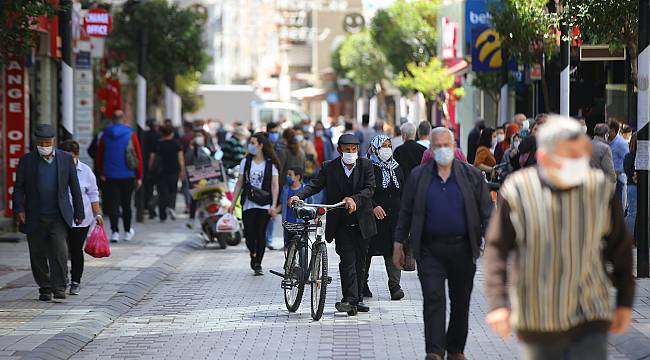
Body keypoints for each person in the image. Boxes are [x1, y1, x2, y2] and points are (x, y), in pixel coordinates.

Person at [484, 116, 634, 360]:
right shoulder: (519, 190)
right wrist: (498, 303)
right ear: (544, 157)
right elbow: (497, 249)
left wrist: (625, 301)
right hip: (539, 316)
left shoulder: (597, 189)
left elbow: (620, 247)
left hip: (590, 312)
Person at [393, 127, 493, 360]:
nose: (442, 150)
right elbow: (405, 213)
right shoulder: (418, 176)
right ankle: (435, 351)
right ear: (431, 148)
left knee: (461, 302)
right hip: (429, 250)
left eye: (446, 145)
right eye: (437, 146)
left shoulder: (471, 176)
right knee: (433, 299)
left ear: (454, 146)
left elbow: (487, 213)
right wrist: (398, 243)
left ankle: (456, 349)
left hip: (463, 248)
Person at [289, 134, 376, 316]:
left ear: (358, 150)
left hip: (363, 223)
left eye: (354, 150)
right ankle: (349, 300)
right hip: (341, 224)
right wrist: (300, 195)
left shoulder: (366, 165)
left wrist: (354, 199)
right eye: (347, 150)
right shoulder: (330, 167)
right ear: (339, 150)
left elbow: (369, 189)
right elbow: (315, 185)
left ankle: (356, 300)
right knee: (347, 262)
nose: (350, 153)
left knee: (361, 264)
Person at [13, 124, 85, 301]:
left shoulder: (65, 159)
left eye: (47, 142)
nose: (44, 145)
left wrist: (79, 210)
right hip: (35, 214)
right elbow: (18, 188)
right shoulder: (27, 161)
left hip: (58, 215)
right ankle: (44, 287)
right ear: (36, 142)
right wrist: (19, 209)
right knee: (37, 253)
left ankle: (59, 287)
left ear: (53, 141)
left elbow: (74, 187)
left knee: (60, 251)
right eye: (41, 142)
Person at [229, 133, 280, 276]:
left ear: (260, 145)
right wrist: (233, 203)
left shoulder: (271, 163)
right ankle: (253, 251)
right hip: (248, 203)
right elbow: (239, 183)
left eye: (253, 142)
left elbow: (275, 185)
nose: (250, 145)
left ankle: (258, 263)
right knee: (249, 233)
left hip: (264, 204)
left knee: (261, 233)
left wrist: (274, 205)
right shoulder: (246, 162)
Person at [363, 135, 405, 301]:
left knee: (393, 250)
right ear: (375, 148)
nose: (387, 149)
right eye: (383, 146)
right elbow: (364, 191)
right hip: (373, 219)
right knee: (367, 251)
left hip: (394, 218)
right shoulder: (368, 167)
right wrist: (373, 206)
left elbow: (403, 191)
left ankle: (395, 286)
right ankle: (362, 283)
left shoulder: (397, 168)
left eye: (389, 145)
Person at [59, 140, 103, 295]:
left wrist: (97, 213)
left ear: (77, 155)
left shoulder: (85, 171)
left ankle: (75, 280)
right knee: (60, 250)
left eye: (71, 157)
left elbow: (93, 193)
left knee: (75, 250)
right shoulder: (57, 170)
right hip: (60, 218)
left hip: (82, 218)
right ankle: (61, 279)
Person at [96, 110, 143, 243]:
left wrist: (101, 173)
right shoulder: (130, 133)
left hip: (109, 175)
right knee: (127, 204)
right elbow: (138, 155)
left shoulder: (105, 134)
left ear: (112, 119)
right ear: (123, 118)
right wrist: (139, 175)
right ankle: (127, 231)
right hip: (128, 174)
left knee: (113, 204)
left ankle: (115, 232)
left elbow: (100, 155)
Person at [149, 124, 186, 222]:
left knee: (162, 192)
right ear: (172, 133)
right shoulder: (176, 143)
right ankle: (171, 207)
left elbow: (152, 158)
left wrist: (150, 167)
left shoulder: (158, 144)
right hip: (174, 170)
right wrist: (182, 170)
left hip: (160, 172)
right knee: (173, 191)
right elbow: (180, 158)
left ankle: (162, 215)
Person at [185, 131, 213, 228]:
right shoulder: (192, 149)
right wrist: (191, 148)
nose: (199, 138)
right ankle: (192, 219)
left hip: (208, 176)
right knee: (195, 198)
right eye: (197, 136)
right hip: (195, 177)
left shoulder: (208, 148)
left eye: (200, 136)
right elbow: (187, 160)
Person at [279, 167, 310, 247]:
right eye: (287, 174)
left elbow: (311, 204)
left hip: (301, 224)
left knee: (301, 247)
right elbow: (282, 204)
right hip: (288, 223)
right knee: (288, 247)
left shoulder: (305, 189)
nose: (288, 176)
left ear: (297, 177)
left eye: (290, 174)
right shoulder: (285, 189)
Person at [608, 119, 630, 209]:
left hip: (619, 180)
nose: (607, 131)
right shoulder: (610, 141)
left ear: (613, 131)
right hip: (611, 180)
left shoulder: (620, 143)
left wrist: (619, 171)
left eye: (608, 129)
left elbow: (627, 160)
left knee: (618, 208)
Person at [143, 118, 161, 219]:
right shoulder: (158, 135)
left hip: (146, 165)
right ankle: (151, 206)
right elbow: (153, 153)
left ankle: (148, 206)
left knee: (148, 188)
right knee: (160, 189)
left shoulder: (144, 135)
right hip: (156, 166)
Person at [624, 133, 638, 236]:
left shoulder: (628, 156)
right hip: (634, 186)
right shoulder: (643, 155)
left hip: (631, 186)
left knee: (632, 212)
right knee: (633, 212)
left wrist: (633, 174)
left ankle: (630, 237)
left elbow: (627, 170)